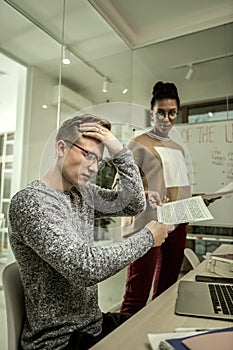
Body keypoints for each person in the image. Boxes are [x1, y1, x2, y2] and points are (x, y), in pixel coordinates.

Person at [8, 113, 168, 350]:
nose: (93, 168)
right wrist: (148, 238)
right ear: (61, 147)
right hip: (59, 342)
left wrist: (120, 152)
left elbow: (133, 204)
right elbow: (84, 267)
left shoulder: (83, 193)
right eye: (87, 155)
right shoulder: (31, 203)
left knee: (161, 331)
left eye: (98, 160)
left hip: (93, 326)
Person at [119, 81, 193, 314]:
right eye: (160, 112)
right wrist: (143, 193)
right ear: (152, 113)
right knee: (136, 296)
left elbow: (177, 187)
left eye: (172, 113)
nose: (166, 119)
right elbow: (119, 188)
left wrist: (197, 199)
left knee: (167, 292)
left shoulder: (179, 149)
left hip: (177, 223)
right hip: (146, 224)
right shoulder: (137, 144)